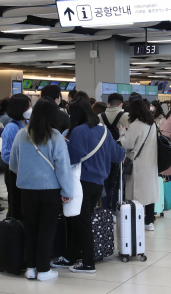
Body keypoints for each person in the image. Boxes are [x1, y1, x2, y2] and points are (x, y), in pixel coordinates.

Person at [51, 94, 125, 274]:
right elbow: (118, 155)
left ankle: (89, 262)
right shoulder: (104, 130)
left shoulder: (78, 131)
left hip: (81, 183)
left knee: (81, 222)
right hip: (98, 184)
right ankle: (70, 256)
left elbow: (73, 158)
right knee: (80, 220)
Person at [9, 98, 74, 281]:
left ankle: (30, 268)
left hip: (27, 190)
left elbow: (13, 163)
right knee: (47, 229)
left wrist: (27, 173)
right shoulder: (55, 136)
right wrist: (67, 191)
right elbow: (63, 167)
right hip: (50, 190)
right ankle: (44, 270)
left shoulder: (21, 134)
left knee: (30, 228)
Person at [119, 99, 159, 230]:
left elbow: (127, 144)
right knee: (149, 193)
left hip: (138, 163)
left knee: (137, 193)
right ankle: (149, 221)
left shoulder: (136, 124)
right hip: (151, 162)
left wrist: (122, 132)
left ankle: (137, 220)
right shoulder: (152, 123)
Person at [1, 94, 31, 220]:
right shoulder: (11, 127)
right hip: (14, 173)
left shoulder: (28, 124)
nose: (31, 109)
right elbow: (6, 155)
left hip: (26, 172)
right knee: (16, 205)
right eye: (28, 106)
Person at [98, 93, 129, 212]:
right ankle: (117, 209)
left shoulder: (99, 116)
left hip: (103, 154)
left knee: (106, 183)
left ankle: (106, 210)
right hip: (121, 154)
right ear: (121, 104)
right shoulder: (126, 116)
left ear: (108, 104)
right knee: (119, 183)